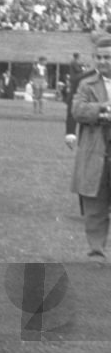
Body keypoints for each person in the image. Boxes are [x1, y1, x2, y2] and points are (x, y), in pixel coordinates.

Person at [71, 37, 111, 264]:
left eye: (108, 57)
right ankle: (96, 251)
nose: (104, 61)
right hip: (97, 151)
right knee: (95, 203)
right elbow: (77, 110)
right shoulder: (86, 84)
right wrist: (103, 110)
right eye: (100, 57)